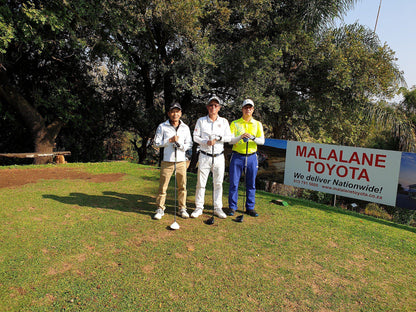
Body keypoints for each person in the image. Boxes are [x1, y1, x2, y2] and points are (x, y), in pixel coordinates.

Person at [192, 95, 232, 219]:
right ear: (207, 107)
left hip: (219, 156)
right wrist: (205, 142)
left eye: (215, 105)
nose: (213, 107)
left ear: (219, 107)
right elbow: (195, 137)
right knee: (201, 183)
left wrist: (219, 138)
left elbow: (229, 138)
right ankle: (199, 207)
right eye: (211, 105)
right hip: (204, 155)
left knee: (218, 183)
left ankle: (217, 208)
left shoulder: (224, 121)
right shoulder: (201, 120)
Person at [153, 102, 193, 220]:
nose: (175, 114)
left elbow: (189, 144)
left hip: (181, 161)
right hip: (167, 161)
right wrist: (169, 141)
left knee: (182, 186)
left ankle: (182, 208)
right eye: (173, 111)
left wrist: (180, 145)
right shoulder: (162, 126)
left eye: (177, 111)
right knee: (163, 187)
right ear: (169, 113)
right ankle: (160, 208)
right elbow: (156, 143)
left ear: (180, 113)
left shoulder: (185, 128)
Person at [227, 99, 265, 217]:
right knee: (234, 182)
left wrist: (252, 137)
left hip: (252, 157)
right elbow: (230, 140)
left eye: (250, 107)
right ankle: (232, 207)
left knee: (251, 183)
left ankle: (250, 207)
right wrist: (240, 137)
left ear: (253, 109)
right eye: (246, 107)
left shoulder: (257, 124)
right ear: (242, 109)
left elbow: (262, 141)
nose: (248, 109)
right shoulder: (235, 123)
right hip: (237, 156)